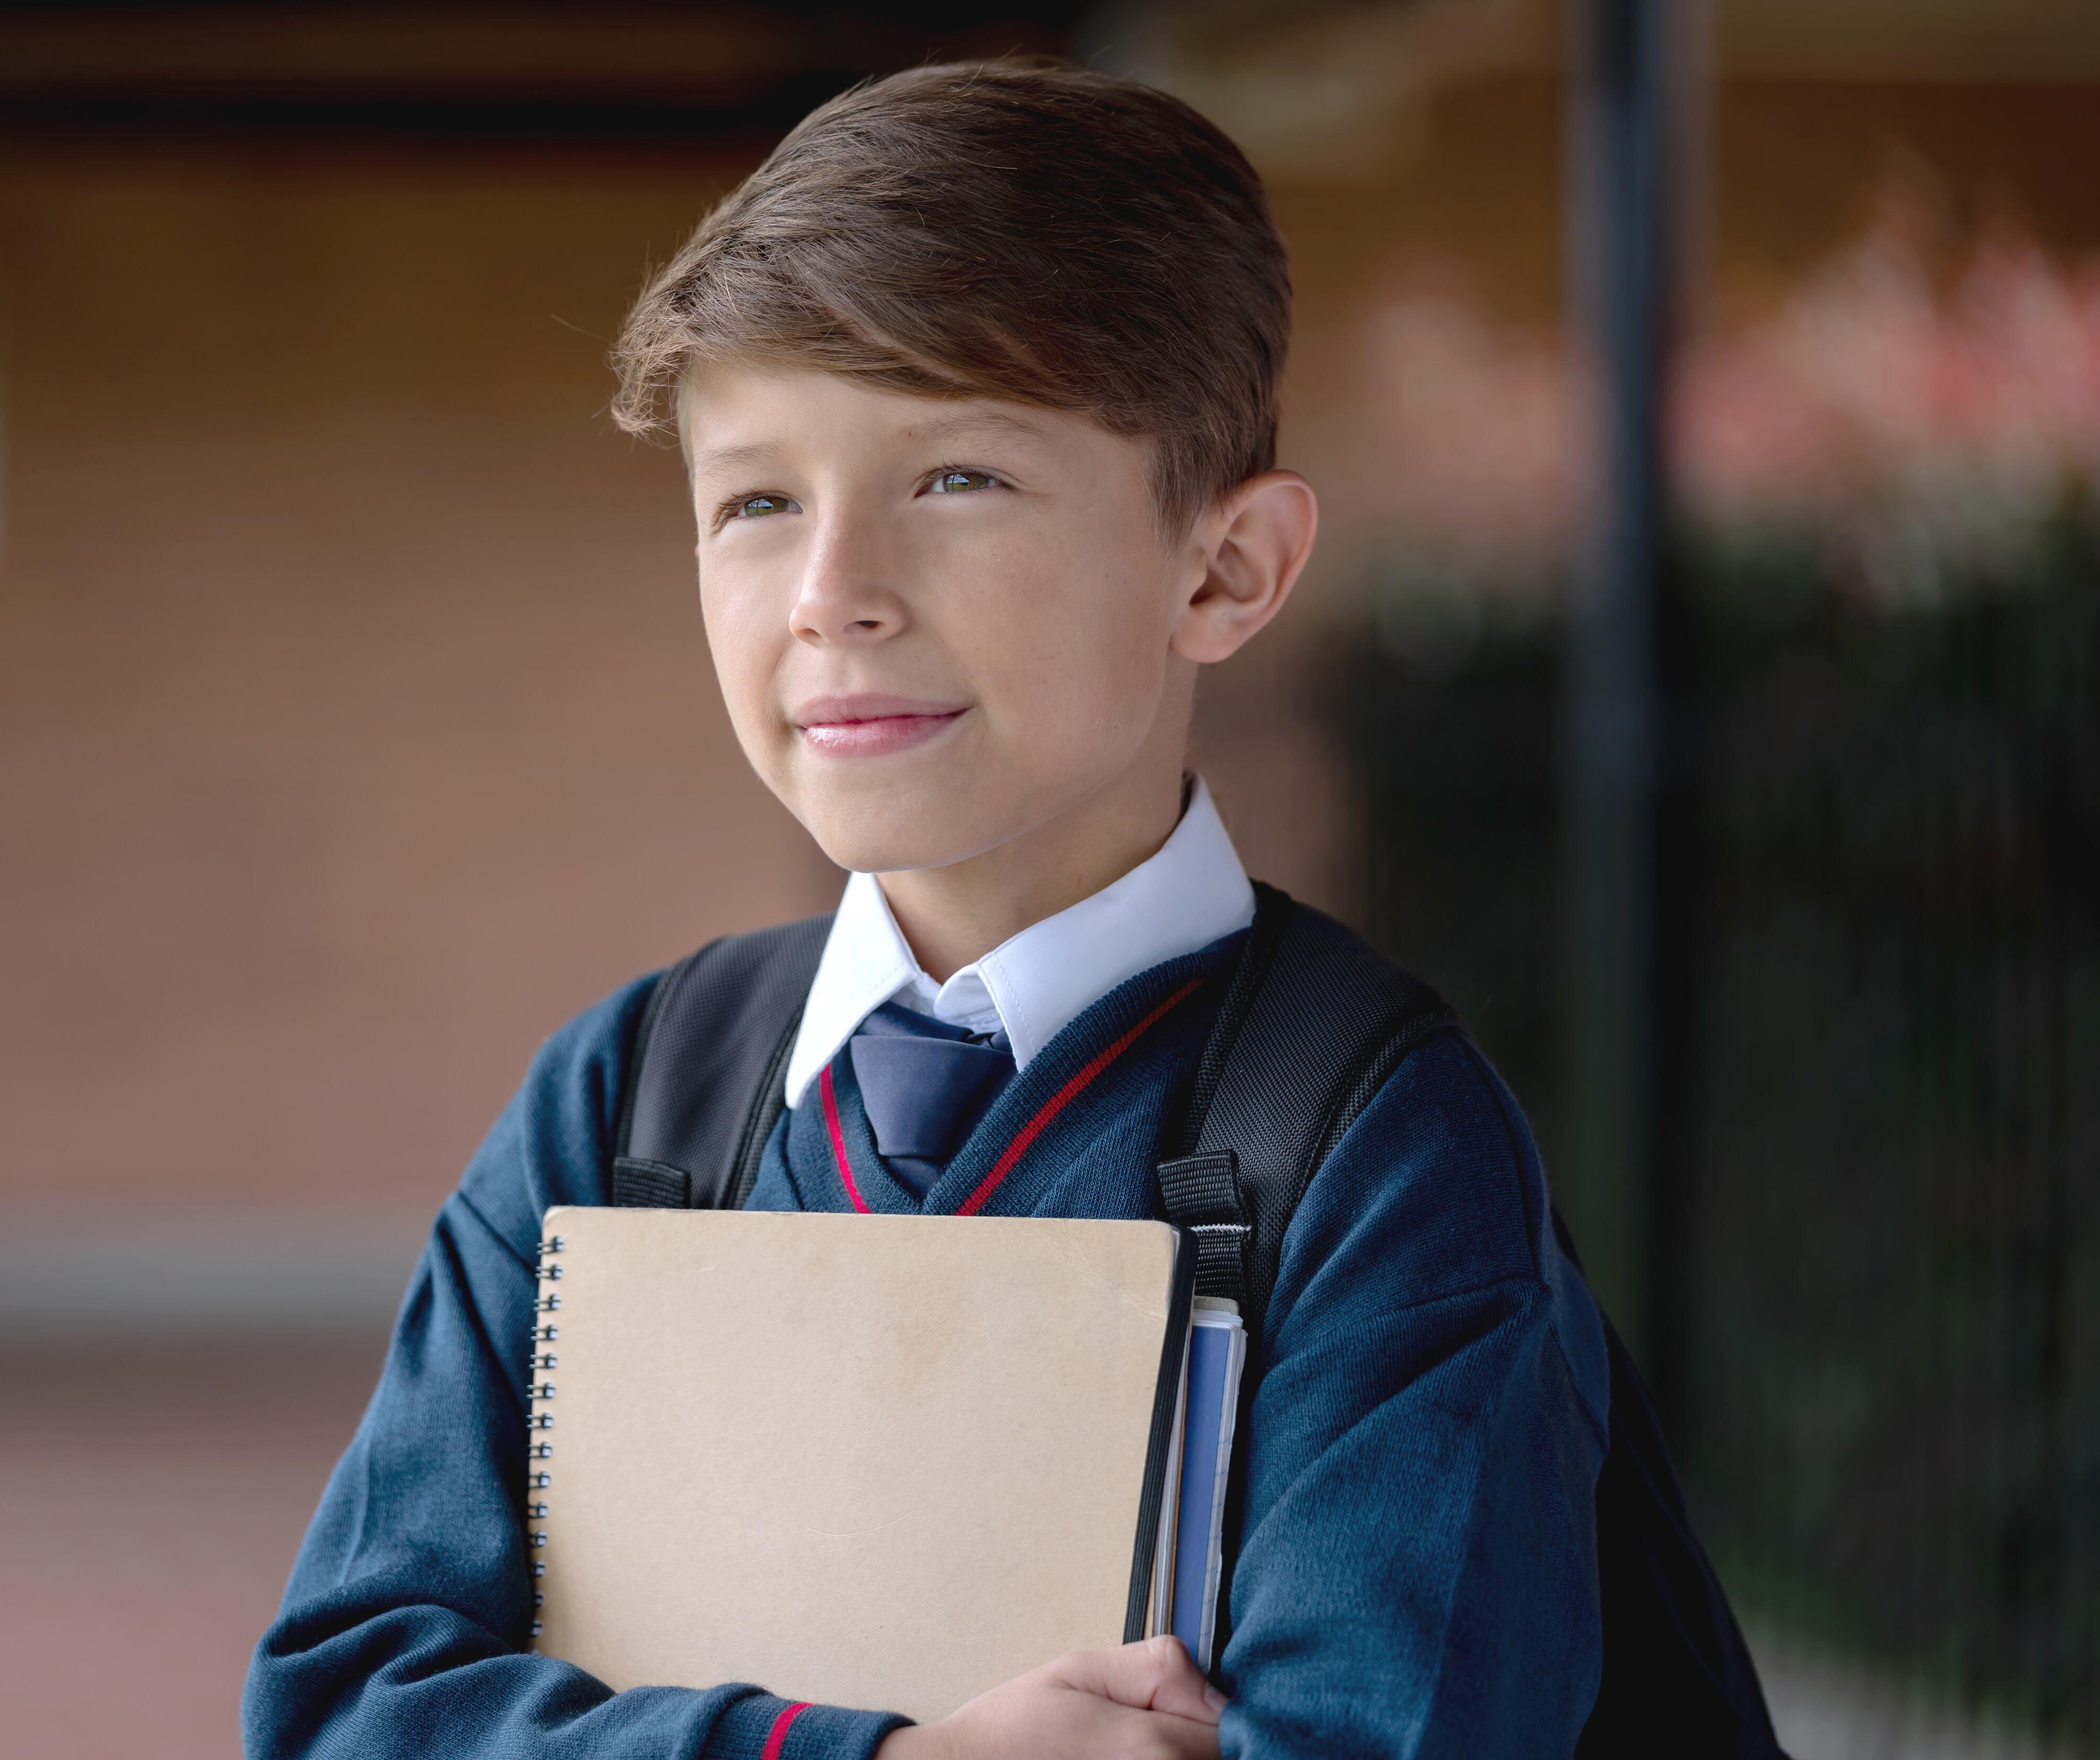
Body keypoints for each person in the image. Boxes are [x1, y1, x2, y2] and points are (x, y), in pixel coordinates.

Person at [244, 59, 1608, 1760]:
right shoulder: (622, 1107)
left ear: (1224, 569)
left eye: (956, 479)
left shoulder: (1370, 1156)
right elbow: (341, 1707)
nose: (832, 598)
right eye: (754, 502)